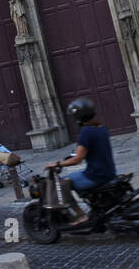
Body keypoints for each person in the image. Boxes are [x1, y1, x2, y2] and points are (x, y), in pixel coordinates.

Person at [45, 97, 117, 226]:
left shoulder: (86, 132)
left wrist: (56, 164)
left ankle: (80, 215)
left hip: (95, 175)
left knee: (62, 183)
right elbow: (93, 149)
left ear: (78, 117)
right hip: (109, 171)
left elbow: (77, 159)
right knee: (76, 177)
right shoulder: (101, 128)